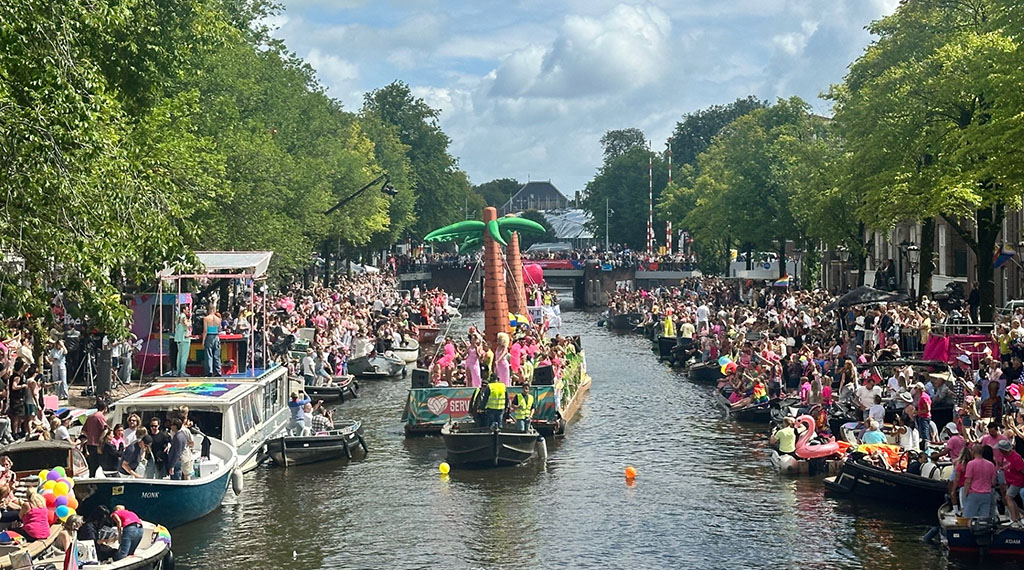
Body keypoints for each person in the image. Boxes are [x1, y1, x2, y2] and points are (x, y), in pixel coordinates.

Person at [962, 444, 998, 520]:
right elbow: (993, 482)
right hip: (986, 494)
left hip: (974, 493)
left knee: (968, 517)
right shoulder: (991, 465)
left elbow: (968, 481)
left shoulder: (971, 464)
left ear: (973, 452)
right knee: (983, 519)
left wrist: (965, 494)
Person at [998, 438, 1024, 526]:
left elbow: (1022, 470)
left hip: (1017, 481)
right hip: (1009, 481)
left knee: (1008, 497)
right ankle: (1017, 517)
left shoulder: (1016, 457)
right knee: (1011, 498)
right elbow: (1005, 466)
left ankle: (1014, 518)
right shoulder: (1004, 457)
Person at [83, 400, 108, 477]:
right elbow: (105, 429)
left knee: (92, 465)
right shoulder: (100, 417)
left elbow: (83, 430)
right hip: (99, 445)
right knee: (100, 464)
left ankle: (91, 479)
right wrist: (101, 439)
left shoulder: (90, 416)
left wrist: (90, 436)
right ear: (105, 408)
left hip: (90, 444)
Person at [201, 303, 222, 377]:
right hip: (216, 336)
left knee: (208, 354)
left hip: (209, 336)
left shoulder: (206, 318)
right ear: (214, 309)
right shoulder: (218, 319)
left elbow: (205, 331)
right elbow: (219, 329)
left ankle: (209, 371)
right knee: (217, 355)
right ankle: (218, 371)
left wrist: (203, 341)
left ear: (209, 310)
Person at [913, 382, 933, 451]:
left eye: (916, 388)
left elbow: (927, 409)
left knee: (924, 434)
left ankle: (927, 449)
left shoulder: (923, 397)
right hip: (925, 417)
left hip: (924, 417)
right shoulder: (926, 395)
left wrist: (917, 412)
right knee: (924, 433)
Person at [174, 304, 192, 376]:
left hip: (178, 338)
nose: (188, 311)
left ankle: (178, 371)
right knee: (184, 356)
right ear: (183, 309)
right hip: (184, 338)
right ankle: (182, 371)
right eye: (187, 309)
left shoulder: (178, 316)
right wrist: (189, 322)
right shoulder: (183, 316)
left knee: (179, 355)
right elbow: (186, 324)